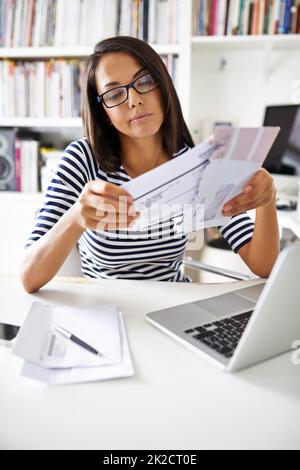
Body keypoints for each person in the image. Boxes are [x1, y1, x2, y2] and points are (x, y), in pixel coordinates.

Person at [20, 36, 280, 293]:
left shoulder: (198, 164)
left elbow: (264, 266)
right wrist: (76, 217)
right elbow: (28, 278)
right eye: (114, 93)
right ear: (105, 113)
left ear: (163, 84)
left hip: (172, 307)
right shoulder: (83, 159)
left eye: (144, 81)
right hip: (107, 309)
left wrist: (267, 201)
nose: (134, 100)